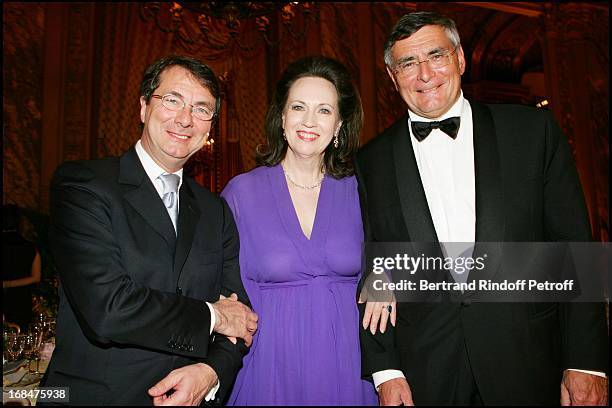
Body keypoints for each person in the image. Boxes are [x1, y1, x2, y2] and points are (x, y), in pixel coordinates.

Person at [356, 11, 609, 406]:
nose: (424, 74)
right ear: (392, 77)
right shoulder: (371, 160)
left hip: (527, 360)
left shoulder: (531, 132)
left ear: (459, 59)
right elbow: (376, 261)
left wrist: (587, 362)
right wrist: (386, 370)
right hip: (427, 371)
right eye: (408, 63)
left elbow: (574, 246)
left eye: (436, 56)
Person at [40, 55, 258, 405]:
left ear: (210, 126)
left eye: (202, 109)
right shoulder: (83, 185)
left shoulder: (215, 210)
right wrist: (212, 316)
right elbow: (108, 309)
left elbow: (241, 315)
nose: (185, 119)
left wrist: (210, 372)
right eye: (172, 100)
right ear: (143, 106)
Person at [220, 56, 378, 405]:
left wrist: (388, 276)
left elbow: (396, 254)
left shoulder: (361, 191)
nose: (309, 121)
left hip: (349, 366)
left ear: (339, 124)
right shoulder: (240, 194)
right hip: (269, 368)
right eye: (299, 107)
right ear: (282, 117)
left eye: (324, 110)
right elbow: (218, 288)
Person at [2, 204, 41, 330]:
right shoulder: (31, 247)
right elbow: (36, 277)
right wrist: (9, 284)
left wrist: (6, 284)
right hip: (21, 300)